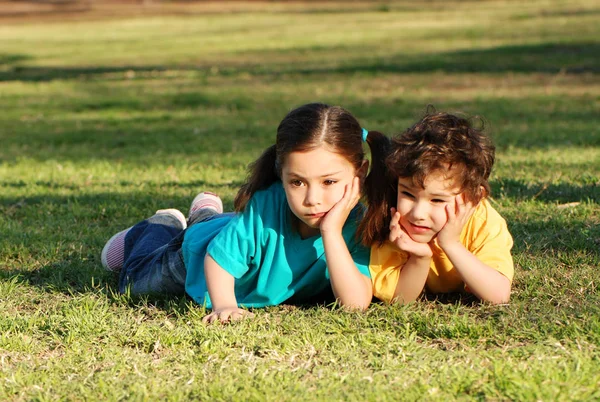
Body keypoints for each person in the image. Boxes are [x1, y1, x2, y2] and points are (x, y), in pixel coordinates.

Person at [101, 102, 381, 323]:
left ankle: (205, 215)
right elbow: (218, 260)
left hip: (230, 230)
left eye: (329, 182)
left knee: (229, 227)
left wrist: (331, 232)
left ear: (360, 174)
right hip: (195, 260)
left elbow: (354, 305)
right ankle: (161, 225)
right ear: (280, 175)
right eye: (297, 182)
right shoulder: (267, 204)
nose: (312, 199)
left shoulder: (357, 223)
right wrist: (225, 305)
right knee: (134, 284)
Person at [360, 109, 514, 305]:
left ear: (474, 199)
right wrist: (420, 258)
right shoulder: (392, 221)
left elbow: (499, 295)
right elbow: (399, 300)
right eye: (407, 194)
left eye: (437, 200)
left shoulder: (483, 223)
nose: (418, 214)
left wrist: (451, 244)